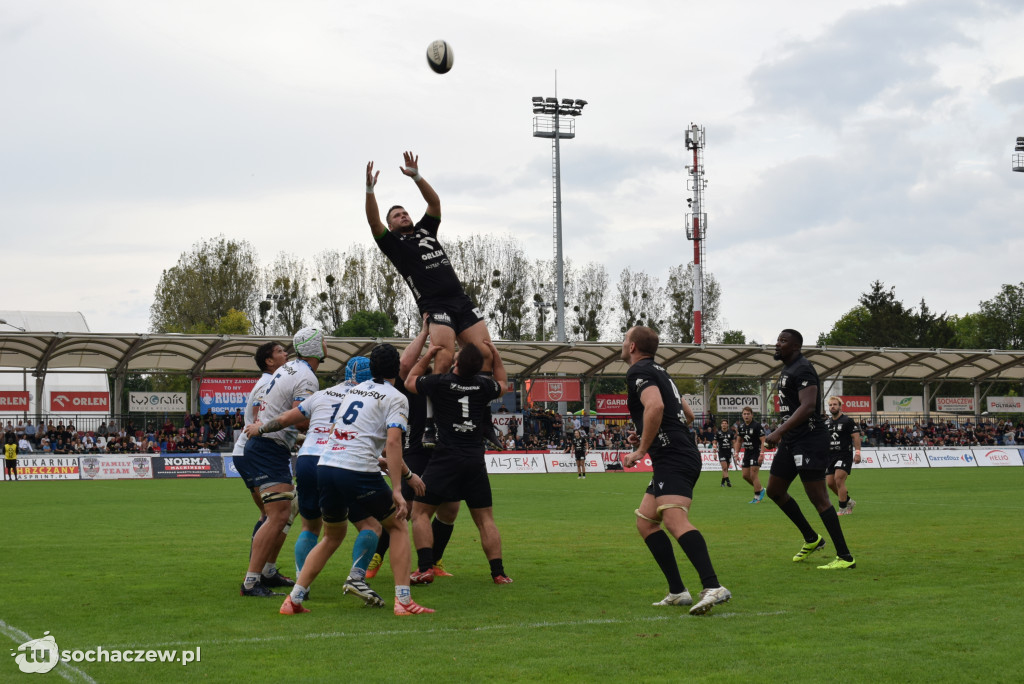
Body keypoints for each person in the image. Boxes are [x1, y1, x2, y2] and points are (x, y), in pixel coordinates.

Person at [246, 355, 427, 607]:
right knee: (394, 526)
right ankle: (401, 599)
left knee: (329, 534)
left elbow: (328, 428)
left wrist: (261, 428)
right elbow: (393, 444)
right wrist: (399, 487)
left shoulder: (347, 392)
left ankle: (295, 598)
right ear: (396, 371)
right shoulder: (395, 397)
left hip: (324, 465)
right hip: (357, 469)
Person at [365, 152, 504, 451]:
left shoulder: (427, 230)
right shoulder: (394, 245)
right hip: (435, 305)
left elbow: (435, 203)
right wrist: (370, 190)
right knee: (442, 354)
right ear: (391, 226)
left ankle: (484, 422)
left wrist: (416, 176)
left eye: (404, 213)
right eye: (396, 216)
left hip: (460, 301)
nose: (403, 216)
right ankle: (431, 423)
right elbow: (373, 221)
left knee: (486, 354)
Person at [619, 326, 731, 616]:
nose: (622, 343)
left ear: (632, 347)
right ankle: (678, 591)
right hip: (676, 452)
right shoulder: (661, 371)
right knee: (646, 522)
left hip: (673, 456)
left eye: (624, 339)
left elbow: (655, 405)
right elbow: (687, 415)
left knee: (674, 520)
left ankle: (713, 586)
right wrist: (644, 433)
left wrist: (641, 449)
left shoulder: (638, 372)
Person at [405, 338, 512, 585]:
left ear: (455, 363)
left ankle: (424, 568)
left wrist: (429, 354)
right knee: (485, 520)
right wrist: (495, 354)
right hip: (475, 459)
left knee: (420, 512)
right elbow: (503, 383)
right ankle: (498, 573)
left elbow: (411, 381)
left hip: (446, 458)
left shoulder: (441, 383)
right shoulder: (484, 386)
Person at [367, 316, 462, 581]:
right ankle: (377, 556)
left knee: (450, 509)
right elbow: (407, 364)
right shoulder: (411, 385)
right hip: (416, 450)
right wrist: (424, 336)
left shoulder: (449, 385)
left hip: (444, 453)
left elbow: (463, 363)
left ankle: (435, 561)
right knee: (405, 509)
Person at [239, 328, 324, 597]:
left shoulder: (287, 369)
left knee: (281, 514)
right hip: (267, 447)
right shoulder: (307, 376)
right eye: (322, 341)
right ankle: (251, 582)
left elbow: (265, 410)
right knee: (276, 516)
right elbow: (300, 417)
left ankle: (265, 574)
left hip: (267, 445)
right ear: (315, 348)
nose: (325, 344)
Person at [763, 330, 856, 570]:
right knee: (774, 490)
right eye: (778, 339)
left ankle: (845, 557)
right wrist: (783, 434)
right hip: (792, 440)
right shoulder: (787, 369)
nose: (777, 343)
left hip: (809, 439)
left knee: (819, 499)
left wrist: (778, 431)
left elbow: (807, 407)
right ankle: (812, 538)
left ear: (795, 346)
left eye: (782, 341)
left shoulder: (803, 368)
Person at [230, 341, 294, 593]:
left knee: (275, 513)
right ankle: (256, 574)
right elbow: (259, 417)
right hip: (255, 451)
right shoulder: (268, 382)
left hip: (251, 451)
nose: (285, 354)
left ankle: (263, 571)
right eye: (279, 351)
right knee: (276, 514)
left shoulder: (272, 380)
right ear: (268, 360)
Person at [825, 397, 862, 516]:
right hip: (830, 456)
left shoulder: (847, 421)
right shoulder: (826, 422)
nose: (832, 407)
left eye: (835, 404)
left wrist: (858, 453)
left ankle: (842, 509)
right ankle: (849, 501)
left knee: (839, 479)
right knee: (830, 483)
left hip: (844, 454)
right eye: (830, 405)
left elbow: (856, 437)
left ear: (840, 406)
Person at [734, 407, 767, 503]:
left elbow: (763, 440)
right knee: (745, 475)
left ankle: (757, 497)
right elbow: (739, 441)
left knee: (753, 475)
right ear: (742, 415)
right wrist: (736, 453)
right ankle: (760, 489)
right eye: (744, 414)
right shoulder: (741, 427)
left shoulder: (757, 426)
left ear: (752, 415)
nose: (746, 416)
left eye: (748, 414)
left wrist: (762, 453)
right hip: (747, 453)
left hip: (756, 452)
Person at [713, 419, 735, 487]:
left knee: (726, 469)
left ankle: (722, 483)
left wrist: (735, 452)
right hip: (721, 452)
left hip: (728, 452)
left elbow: (734, 443)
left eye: (725, 423)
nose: (724, 424)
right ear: (721, 425)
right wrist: (714, 453)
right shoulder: (718, 433)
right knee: (724, 468)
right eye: (723, 423)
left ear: (727, 425)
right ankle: (728, 482)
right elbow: (715, 443)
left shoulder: (731, 433)